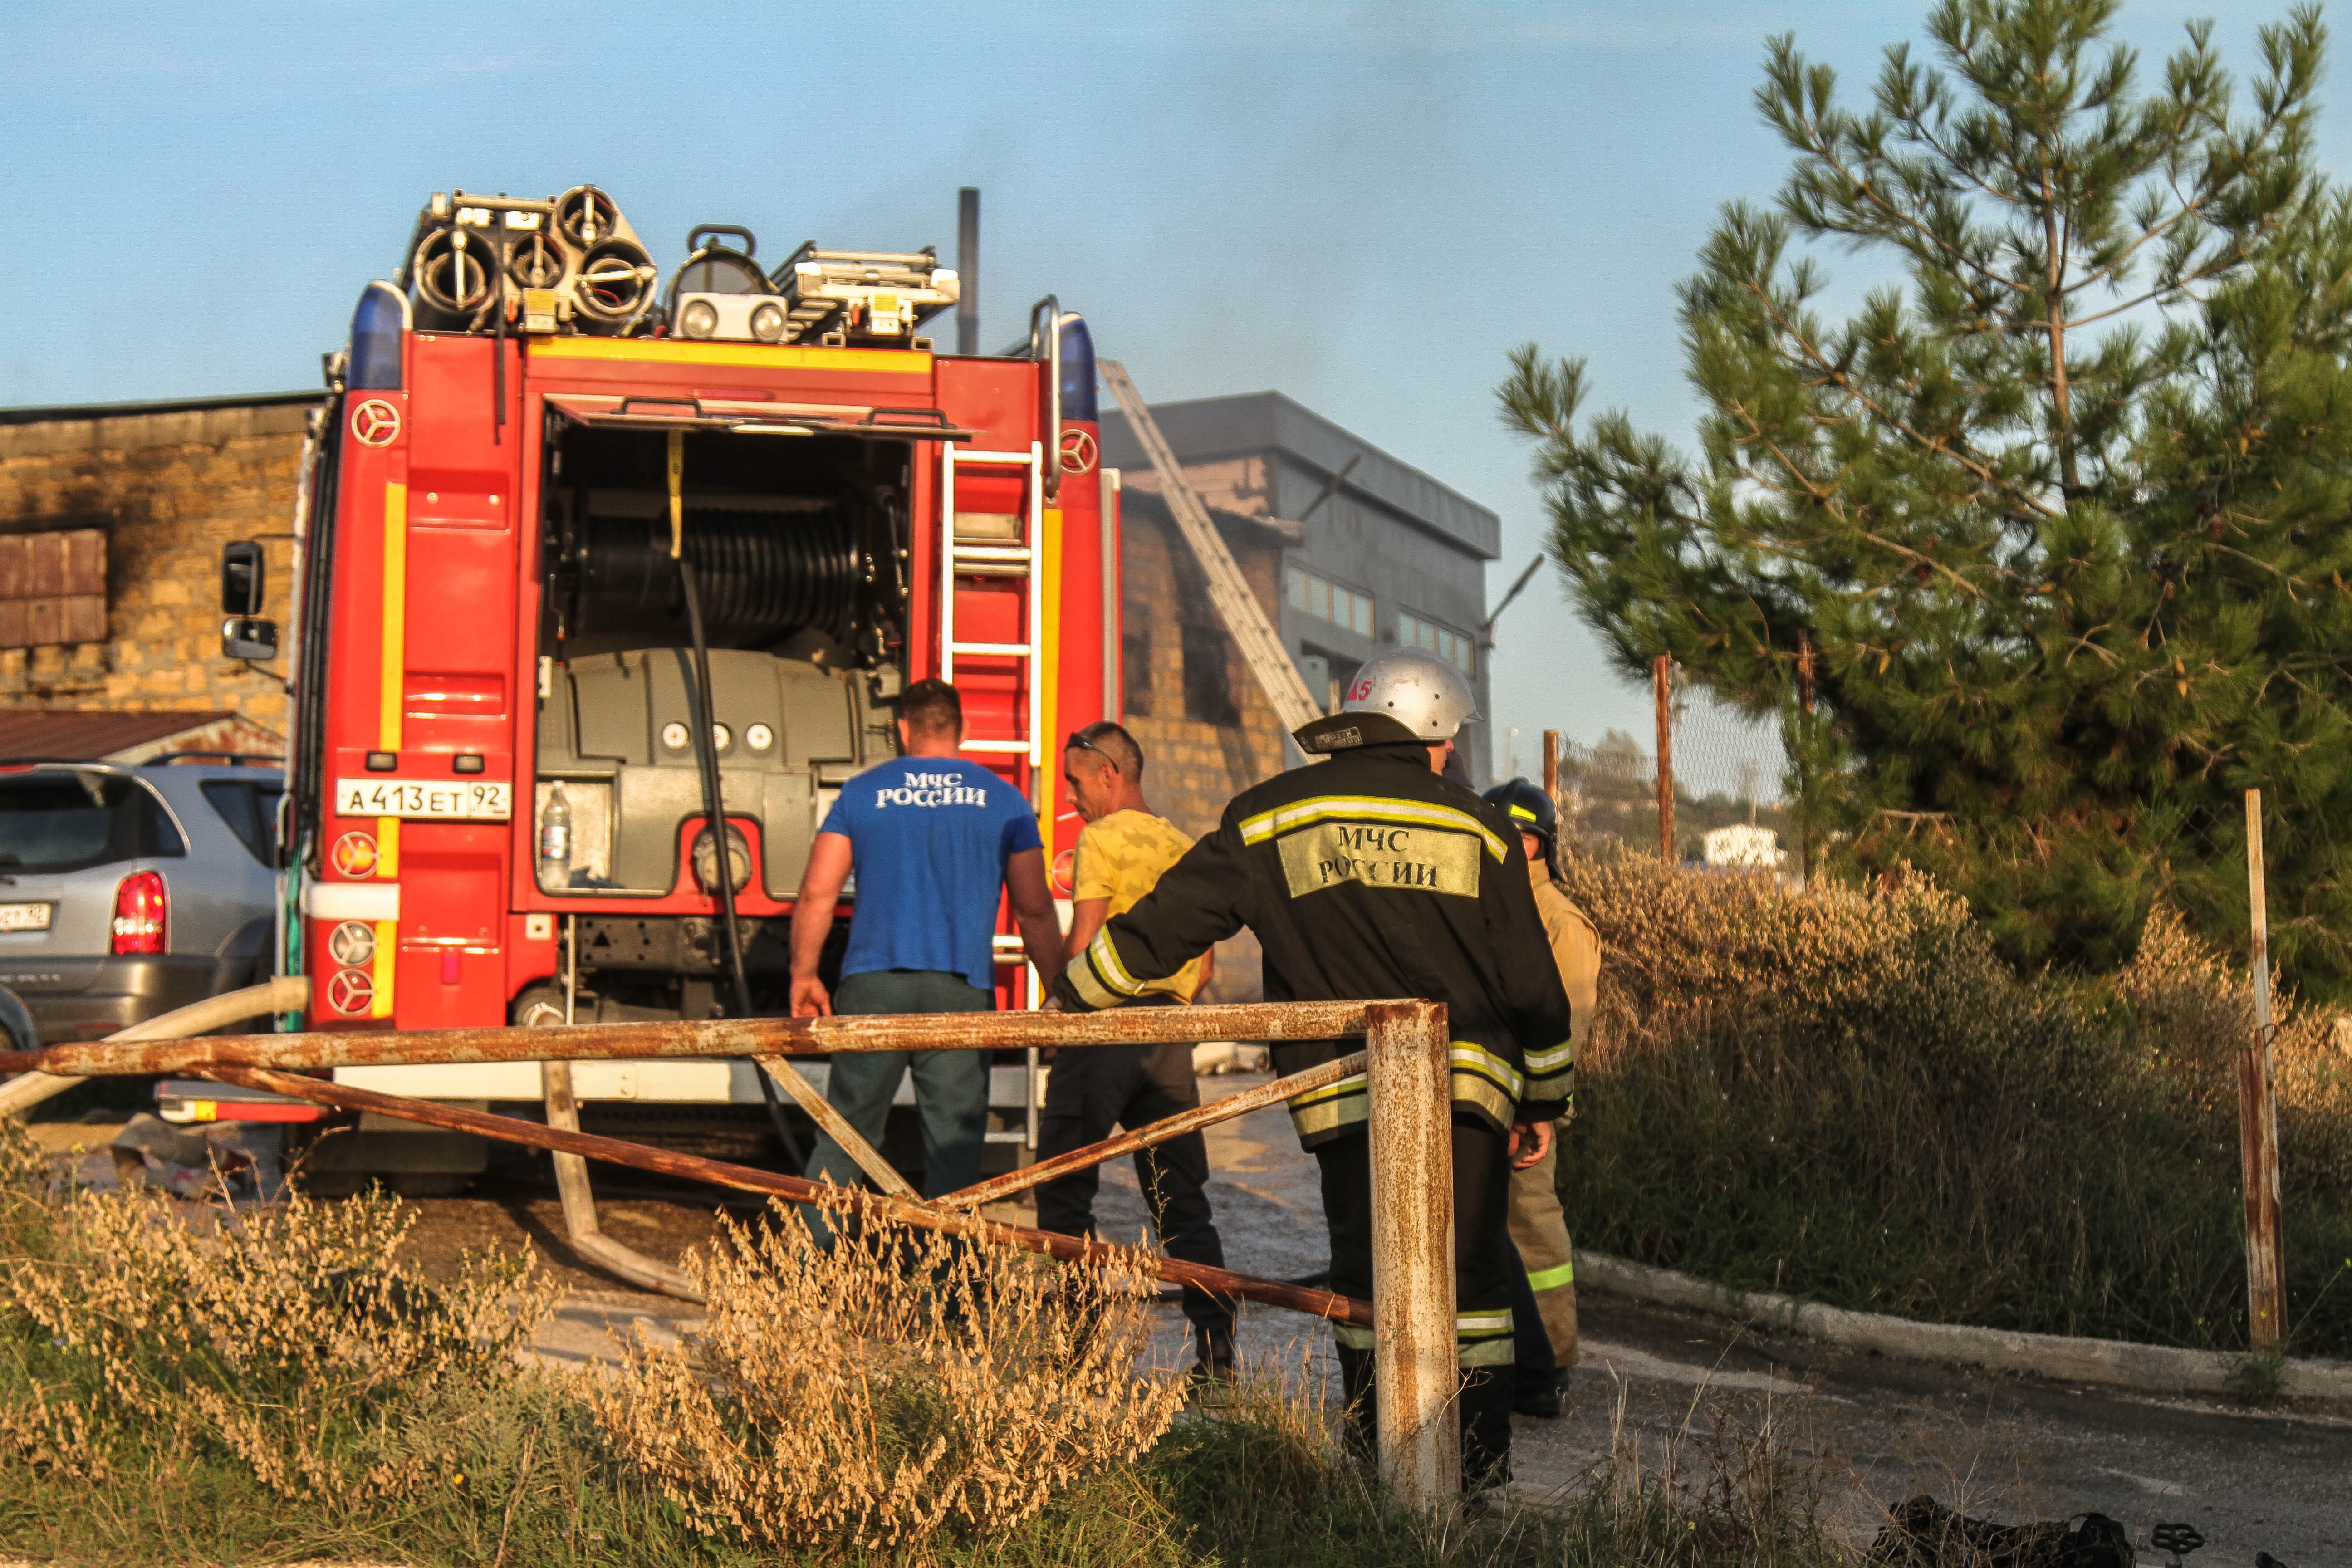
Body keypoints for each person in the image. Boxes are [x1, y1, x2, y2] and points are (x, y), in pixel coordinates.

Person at [1048, 650, 1573, 1491]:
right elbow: (1530, 983)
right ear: (1429, 733)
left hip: (1342, 1091)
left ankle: (1378, 1456)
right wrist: (1542, 1096)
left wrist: (1075, 994)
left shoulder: (1268, 817)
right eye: (1447, 741)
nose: (1448, 757)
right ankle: (1471, 1471)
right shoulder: (1475, 826)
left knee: (1364, 1281)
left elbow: (1170, 922)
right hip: (1465, 1093)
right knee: (1471, 1284)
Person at [789, 678, 1063, 1202]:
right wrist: (1058, 994)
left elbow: (817, 895)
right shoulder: (1007, 801)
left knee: (846, 1134)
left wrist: (804, 976)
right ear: (963, 730)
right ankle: (944, 1280)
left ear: (902, 729)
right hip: (960, 991)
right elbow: (1034, 910)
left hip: (873, 987)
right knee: (954, 1150)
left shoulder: (863, 793)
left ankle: (813, 1271)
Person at [1036, 721, 1235, 1382]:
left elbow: (1084, 942)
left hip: (1102, 1032)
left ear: (1110, 775)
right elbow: (1204, 970)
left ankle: (1076, 1356)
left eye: (1075, 781)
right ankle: (1217, 1358)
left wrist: (1059, 1010)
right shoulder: (1186, 846)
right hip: (1170, 1039)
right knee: (1181, 1199)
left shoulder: (1102, 838)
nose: (1072, 797)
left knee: (1064, 1191)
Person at [1482, 776, 1601, 1419]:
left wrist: (1538, 1112)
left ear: (1540, 845)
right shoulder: (1491, 908)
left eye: (1516, 837)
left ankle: (1552, 1358)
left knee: (1533, 1229)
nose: (1502, 846)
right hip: (1487, 1100)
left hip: (1528, 1114)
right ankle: (1503, 1359)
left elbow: (1570, 1023)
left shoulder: (1558, 921)